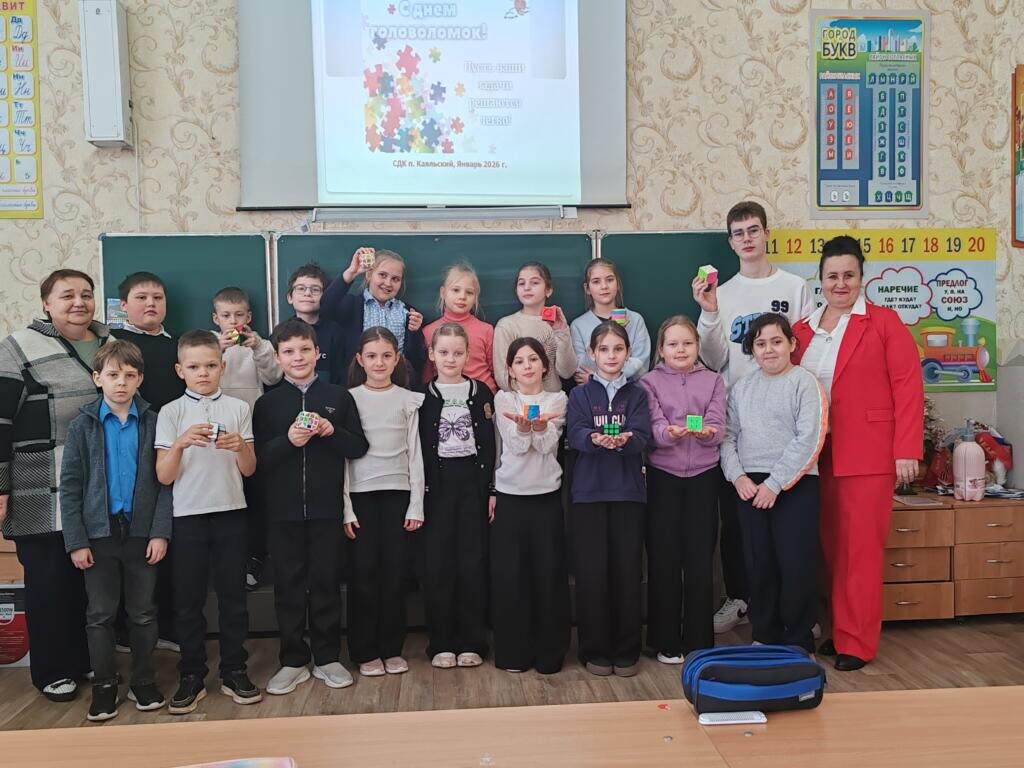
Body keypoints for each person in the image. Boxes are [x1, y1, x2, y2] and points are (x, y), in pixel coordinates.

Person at [792, 235, 923, 671]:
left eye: (849, 275)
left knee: (860, 552)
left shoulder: (884, 323)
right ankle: (839, 630)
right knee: (830, 550)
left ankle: (858, 643)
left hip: (867, 455)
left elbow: (908, 387)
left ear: (862, 278)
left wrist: (906, 450)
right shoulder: (802, 330)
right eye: (833, 275)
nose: (841, 283)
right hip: (815, 457)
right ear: (820, 280)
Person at [692, 200, 813, 635]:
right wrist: (708, 312)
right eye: (738, 233)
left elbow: (804, 347)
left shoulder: (795, 287)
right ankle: (742, 599)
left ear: (766, 234)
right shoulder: (722, 293)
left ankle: (795, 614)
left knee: (790, 534)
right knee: (740, 526)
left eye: (753, 230)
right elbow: (712, 359)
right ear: (730, 242)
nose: (747, 238)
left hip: (788, 417)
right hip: (740, 420)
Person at [0, 268, 107, 702]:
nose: (79, 302)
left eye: (86, 293)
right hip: (38, 486)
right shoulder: (17, 347)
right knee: (48, 582)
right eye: (67, 295)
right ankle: (52, 670)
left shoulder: (110, 344)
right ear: (46, 303)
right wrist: (0, 486)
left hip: (95, 485)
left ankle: (82, 659)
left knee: (87, 582)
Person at [59, 340, 172, 721]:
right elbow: (70, 487)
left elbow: (165, 483)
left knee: (143, 613)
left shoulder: (155, 422)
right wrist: (76, 541)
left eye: (129, 375)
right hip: (98, 536)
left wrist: (160, 532)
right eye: (112, 375)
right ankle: (105, 685)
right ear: (97, 378)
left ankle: (143, 681)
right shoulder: (82, 426)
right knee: (100, 615)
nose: (120, 382)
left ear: (140, 379)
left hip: (141, 533)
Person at [254, 319, 369, 695]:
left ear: (318, 352)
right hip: (282, 512)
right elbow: (257, 461)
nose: (298, 357)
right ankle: (292, 660)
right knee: (288, 587)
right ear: (277, 357)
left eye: (305, 349)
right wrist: (288, 441)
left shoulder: (339, 397)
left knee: (326, 583)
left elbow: (358, 446)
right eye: (288, 351)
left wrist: (332, 431)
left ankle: (327, 656)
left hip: (326, 510)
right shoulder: (267, 404)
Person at [155, 330, 261, 714]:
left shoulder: (238, 407)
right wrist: (181, 443)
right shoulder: (170, 412)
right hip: (187, 516)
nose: (203, 373)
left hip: (231, 512)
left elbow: (249, 469)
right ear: (179, 370)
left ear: (223, 366)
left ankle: (234, 670)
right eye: (194, 367)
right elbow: (164, 475)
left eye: (211, 365)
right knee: (188, 601)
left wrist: (241, 446)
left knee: (234, 599)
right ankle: (192, 674)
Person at [720, 313, 827, 654]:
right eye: (761, 344)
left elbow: (809, 438)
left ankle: (798, 637)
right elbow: (727, 437)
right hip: (749, 486)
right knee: (759, 563)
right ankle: (764, 634)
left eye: (777, 342)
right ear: (752, 350)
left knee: (795, 562)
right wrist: (737, 476)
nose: (769, 350)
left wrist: (776, 483)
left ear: (792, 344)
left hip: (795, 485)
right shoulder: (742, 388)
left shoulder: (804, 383)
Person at [566, 321, 651, 677]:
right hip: (589, 494)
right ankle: (595, 650)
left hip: (628, 493)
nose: (611, 356)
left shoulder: (638, 394)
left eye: (618, 349)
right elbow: (575, 431)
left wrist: (626, 441)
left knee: (627, 571)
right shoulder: (579, 395)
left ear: (628, 353)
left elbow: (643, 434)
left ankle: (627, 649)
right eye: (604, 349)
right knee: (592, 573)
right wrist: (593, 439)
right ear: (591, 354)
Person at [639, 316, 725, 662]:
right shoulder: (649, 382)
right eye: (673, 344)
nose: (680, 350)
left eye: (687, 343)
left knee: (700, 558)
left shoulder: (714, 380)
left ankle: (699, 642)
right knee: (664, 558)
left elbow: (718, 423)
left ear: (697, 347)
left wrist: (708, 433)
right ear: (661, 349)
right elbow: (654, 423)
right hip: (664, 477)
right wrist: (667, 434)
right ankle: (666, 641)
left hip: (704, 476)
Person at [343, 327, 425, 677]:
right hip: (360, 497)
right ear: (360, 360)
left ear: (397, 359)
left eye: (386, 356)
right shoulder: (348, 399)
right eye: (372, 356)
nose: (379, 363)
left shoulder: (409, 399)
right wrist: (345, 507)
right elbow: (343, 459)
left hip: (398, 495)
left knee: (394, 575)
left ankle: (392, 648)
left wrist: (416, 504)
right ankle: (365, 650)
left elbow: (415, 454)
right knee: (364, 575)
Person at [110, 271, 183, 654]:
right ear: (124, 305)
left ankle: (166, 626)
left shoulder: (178, 347)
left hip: (175, 452)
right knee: (133, 540)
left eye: (158, 297)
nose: (151, 303)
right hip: (130, 453)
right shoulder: (115, 345)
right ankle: (125, 630)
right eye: (141, 297)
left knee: (167, 538)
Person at [418, 322, 496, 669]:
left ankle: (472, 641)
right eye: (444, 352)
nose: (451, 359)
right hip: (437, 487)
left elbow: (493, 445)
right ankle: (441, 642)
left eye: (458, 353)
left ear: (468, 355)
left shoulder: (482, 393)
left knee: (472, 562)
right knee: (439, 564)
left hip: (473, 484)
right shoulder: (422, 397)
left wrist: (491, 489)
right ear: (432, 354)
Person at [491, 338, 570, 674]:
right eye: (520, 361)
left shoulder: (558, 399)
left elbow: (549, 444)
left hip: (546, 497)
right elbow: (517, 446)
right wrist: (526, 430)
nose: (527, 366)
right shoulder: (504, 399)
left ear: (545, 366)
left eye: (533, 359)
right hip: (510, 497)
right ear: (510, 370)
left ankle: (549, 654)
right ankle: (514, 654)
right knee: (512, 577)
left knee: (548, 577)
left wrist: (539, 428)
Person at [211, 286, 282, 591]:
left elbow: (274, 377)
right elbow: (201, 377)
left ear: (249, 317)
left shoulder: (261, 344)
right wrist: (217, 349)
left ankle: (254, 559)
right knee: (224, 498)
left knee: (254, 497)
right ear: (216, 318)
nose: (233, 321)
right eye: (226, 315)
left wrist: (259, 348)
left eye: (239, 315)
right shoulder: (209, 344)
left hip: (253, 431)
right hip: (218, 433)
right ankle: (224, 561)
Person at [321, 247, 426, 384]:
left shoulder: (408, 312)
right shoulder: (352, 305)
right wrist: (351, 272)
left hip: (397, 384)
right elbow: (326, 306)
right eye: (382, 275)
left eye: (395, 279)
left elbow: (416, 358)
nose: (388, 283)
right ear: (369, 274)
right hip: (358, 383)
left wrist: (414, 332)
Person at [493, 262, 577, 392]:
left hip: (554, 399)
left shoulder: (557, 323)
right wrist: (533, 397)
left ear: (548, 290)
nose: (527, 288)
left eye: (535, 283)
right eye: (521, 283)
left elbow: (567, 372)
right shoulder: (506, 325)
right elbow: (503, 377)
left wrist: (562, 332)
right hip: (520, 401)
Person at [570, 258, 651, 385]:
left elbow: (641, 365)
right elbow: (581, 368)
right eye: (596, 281)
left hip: (629, 392)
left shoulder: (635, 320)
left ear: (617, 283)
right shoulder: (578, 326)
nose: (604, 286)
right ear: (587, 288)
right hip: (593, 395)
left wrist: (596, 378)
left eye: (610, 280)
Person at [421, 263, 497, 392]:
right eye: (456, 290)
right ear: (443, 292)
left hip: (482, 395)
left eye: (469, 292)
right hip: (445, 396)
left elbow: (495, 370)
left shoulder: (486, 330)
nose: (462, 297)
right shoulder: (429, 332)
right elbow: (427, 375)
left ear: (475, 297)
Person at [284, 262, 346, 385]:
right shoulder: (281, 333)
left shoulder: (335, 332)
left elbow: (340, 375)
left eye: (315, 289)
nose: (307, 293)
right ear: (290, 297)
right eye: (301, 288)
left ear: (326, 297)